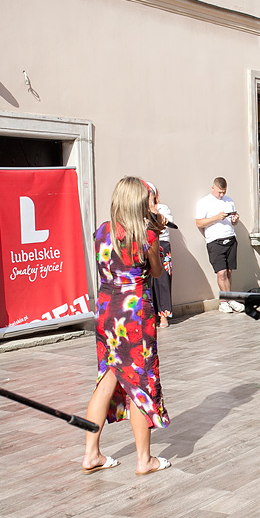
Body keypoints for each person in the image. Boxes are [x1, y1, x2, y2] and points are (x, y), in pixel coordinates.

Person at [84, 176, 170, 476]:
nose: (154, 203)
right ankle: (144, 460)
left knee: (107, 379)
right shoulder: (146, 235)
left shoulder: (102, 232)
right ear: (138, 201)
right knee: (139, 382)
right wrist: (156, 234)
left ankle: (91, 453)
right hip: (134, 311)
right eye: (150, 198)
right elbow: (157, 272)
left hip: (106, 308)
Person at [195, 177, 242, 314]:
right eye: (219, 192)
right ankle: (224, 302)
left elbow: (233, 222)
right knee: (221, 273)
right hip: (215, 241)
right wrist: (216, 217)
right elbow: (199, 223)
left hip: (230, 238)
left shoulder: (229, 200)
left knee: (228, 272)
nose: (221, 195)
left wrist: (235, 220)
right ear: (213, 188)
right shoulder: (204, 202)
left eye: (223, 192)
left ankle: (229, 299)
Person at [148, 182, 173, 329]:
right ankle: (150, 314)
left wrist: (153, 208)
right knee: (146, 279)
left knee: (163, 279)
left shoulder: (163, 208)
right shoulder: (140, 210)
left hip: (162, 244)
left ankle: (163, 315)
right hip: (147, 243)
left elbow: (167, 223)